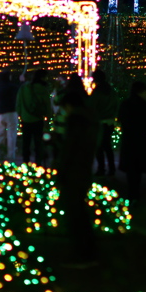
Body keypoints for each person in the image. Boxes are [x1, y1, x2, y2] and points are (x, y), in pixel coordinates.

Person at [52, 87, 99, 268]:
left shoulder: (76, 120)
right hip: (83, 171)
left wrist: (60, 169)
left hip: (73, 172)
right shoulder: (90, 118)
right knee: (80, 212)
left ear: (70, 105)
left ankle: (83, 254)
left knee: (74, 214)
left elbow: (69, 149)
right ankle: (88, 252)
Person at [117, 80, 146, 202]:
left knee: (130, 168)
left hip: (129, 139)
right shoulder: (145, 105)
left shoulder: (126, 104)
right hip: (141, 139)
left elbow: (121, 119)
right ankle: (136, 194)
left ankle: (131, 193)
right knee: (137, 169)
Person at [16, 68, 51, 165]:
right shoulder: (43, 89)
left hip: (25, 119)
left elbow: (18, 104)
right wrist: (47, 120)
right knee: (38, 143)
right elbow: (47, 106)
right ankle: (38, 163)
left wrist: (21, 116)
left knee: (26, 143)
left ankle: (25, 163)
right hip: (38, 119)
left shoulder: (23, 88)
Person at [89, 69, 119, 177]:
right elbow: (116, 105)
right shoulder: (111, 90)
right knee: (107, 146)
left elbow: (92, 106)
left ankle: (101, 168)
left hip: (99, 121)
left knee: (99, 147)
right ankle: (112, 169)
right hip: (110, 121)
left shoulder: (97, 92)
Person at [0, 69, 21, 163]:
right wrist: (21, 81)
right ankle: (11, 156)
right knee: (11, 135)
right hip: (11, 112)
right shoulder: (13, 87)